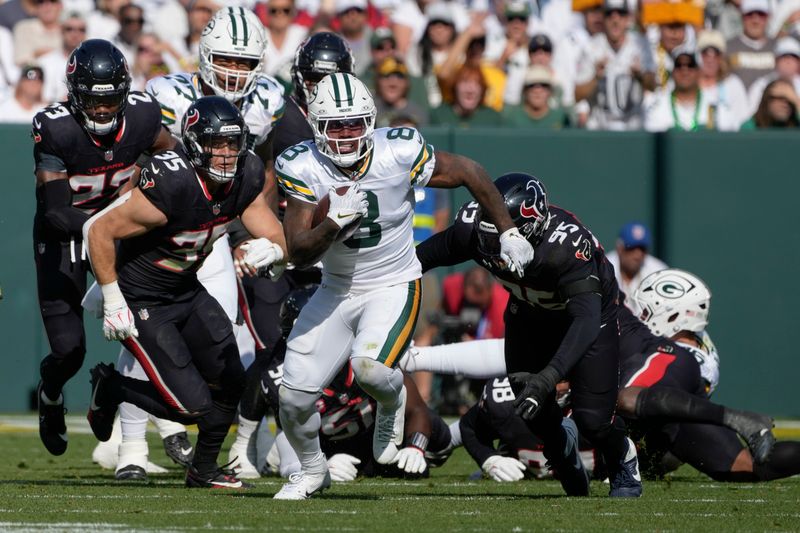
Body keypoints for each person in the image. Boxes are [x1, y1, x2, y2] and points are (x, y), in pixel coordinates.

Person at [272, 73, 533, 499]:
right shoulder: (300, 165)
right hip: (335, 288)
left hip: (393, 282)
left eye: (355, 124)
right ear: (317, 127)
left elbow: (470, 171)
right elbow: (298, 252)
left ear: (370, 121)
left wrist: (507, 230)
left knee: (371, 369)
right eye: (335, 126)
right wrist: (334, 223)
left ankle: (392, 405)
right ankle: (312, 470)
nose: (345, 135)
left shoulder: (397, 151)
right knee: (293, 397)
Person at [104, 5, 285, 480]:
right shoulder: (166, 93)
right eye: (227, 59)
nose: (235, 71)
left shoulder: (268, 98)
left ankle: (206, 458)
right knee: (135, 340)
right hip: (158, 231)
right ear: (204, 55)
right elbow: (136, 167)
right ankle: (131, 448)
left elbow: (260, 172)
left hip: (213, 232)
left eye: (245, 62)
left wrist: (261, 236)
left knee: (219, 337)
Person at [415, 173, 643, 497]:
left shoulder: (566, 247)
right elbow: (422, 258)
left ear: (532, 228)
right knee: (531, 408)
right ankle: (562, 447)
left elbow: (586, 322)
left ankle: (622, 458)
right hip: (529, 311)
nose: (494, 246)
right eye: (490, 234)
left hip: (589, 318)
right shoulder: (476, 229)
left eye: (504, 235)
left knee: (593, 419)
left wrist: (549, 376)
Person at [32, 39, 175, 458]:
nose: (101, 109)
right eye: (93, 100)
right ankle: (52, 392)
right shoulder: (55, 127)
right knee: (69, 350)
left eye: (111, 99)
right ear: (75, 96)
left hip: (120, 231)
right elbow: (58, 212)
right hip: (64, 236)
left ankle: (114, 393)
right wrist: (109, 228)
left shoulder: (145, 114)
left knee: (149, 328)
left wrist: (145, 198)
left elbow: (172, 160)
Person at [226, 31, 356, 479]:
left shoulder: (351, 119)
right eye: (317, 78)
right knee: (272, 348)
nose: (324, 87)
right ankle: (245, 445)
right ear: (301, 78)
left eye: (333, 77)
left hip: (326, 249)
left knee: (312, 354)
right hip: (281, 245)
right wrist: (256, 237)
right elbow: (259, 183)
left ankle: (280, 446)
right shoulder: (284, 120)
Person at [253, 285, 454, 481]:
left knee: (436, 442)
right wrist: (322, 463)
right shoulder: (283, 378)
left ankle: (465, 433)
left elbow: (416, 409)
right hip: (329, 444)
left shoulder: (365, 357)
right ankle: (268, 456)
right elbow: (291, 446)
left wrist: (415, 447)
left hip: (376, 434)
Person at [616, 270, 783, 480]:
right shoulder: (690, 341)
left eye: (645, 312)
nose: (640, 317)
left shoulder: (688, 358)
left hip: (662, 432)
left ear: (672, 316)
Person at [459, 378, 597, 485]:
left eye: (562, 379)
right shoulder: (505, 400)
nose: (553, 384)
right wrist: (489, 458)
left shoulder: (599, 401)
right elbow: (469, 426)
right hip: (525, 472)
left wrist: (616, 466)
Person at [574, 0, 656, 130]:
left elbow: (653, 86)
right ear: (603, 18)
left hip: (633, 127)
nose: (615, 20)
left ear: (628, 18)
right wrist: (596, 78)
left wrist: (640, 76)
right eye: (609, 14)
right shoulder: (592, 47)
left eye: (621, 13)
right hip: (601, 129)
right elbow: (577, 95)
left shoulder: (640, 44)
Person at [645, 47, 740, 131]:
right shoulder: (657, 107)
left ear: (699, 71)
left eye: (690, 65)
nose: (684, 71)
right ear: (673, 72)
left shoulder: (716, 105)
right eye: (679, 65)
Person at [696, 30, 750, 128]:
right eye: (705, 53)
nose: (710, 59)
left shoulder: (733, 84)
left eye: (716, 54)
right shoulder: (688, 84)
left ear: (721, 57)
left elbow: (742, 120)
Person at [605, 221, 667, 301]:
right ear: (619, 248)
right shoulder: (604, 268)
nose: (637, 255)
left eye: (642, 249)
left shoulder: (658, 271)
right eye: (631, 248)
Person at [429, 65, 503, 127]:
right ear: (455, 87)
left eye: (476, 84)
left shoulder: (492, 118)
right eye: (465, 82)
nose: (470, 89)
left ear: (482, 90)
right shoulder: (439, 115)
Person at [37, 10, 86, 103]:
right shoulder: (44, 62)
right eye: (69, 29)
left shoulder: (91, 65)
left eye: (81, 30)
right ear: (61, 30)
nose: (75, 34)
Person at [726, 0, 776, 90]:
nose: (755, 20)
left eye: (761, 15)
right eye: (750, 15)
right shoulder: (728, 48)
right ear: (741, 16)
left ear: (768, 17)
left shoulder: (779, 48)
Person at [502, 65, 572, 129]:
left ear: (550, 91)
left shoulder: (561, 119)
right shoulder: (511, 118)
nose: (537, 90)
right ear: (524, 90)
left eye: (544, 85)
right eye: (532, 85)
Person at [747, 36, 800, 116]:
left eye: (793, 57)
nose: (788, 61)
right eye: (784, 56)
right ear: (776, 61)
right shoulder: (761, 85)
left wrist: (793, 98)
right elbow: (752, 117)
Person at [373, 56, 428, 127]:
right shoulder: (369, 112)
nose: (393, 83)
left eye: (399, 77)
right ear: (378, 81)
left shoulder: (418, 115)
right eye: (386, 76)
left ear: (407, 83)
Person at [263, 0, 309, 78]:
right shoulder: (259, 35)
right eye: (274, 10)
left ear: (293, 12)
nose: (279, 14)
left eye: (286, 10)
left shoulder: (302, 35)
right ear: (267, 12)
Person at [12, 0, 62, 66]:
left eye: (52, 1)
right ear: (35, 8)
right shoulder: (24, 28)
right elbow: (21, 61)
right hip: (34, 74)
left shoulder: (71, 28)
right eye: (41, 2)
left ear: (60, 6)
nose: (47, 7)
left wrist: (40, 54)